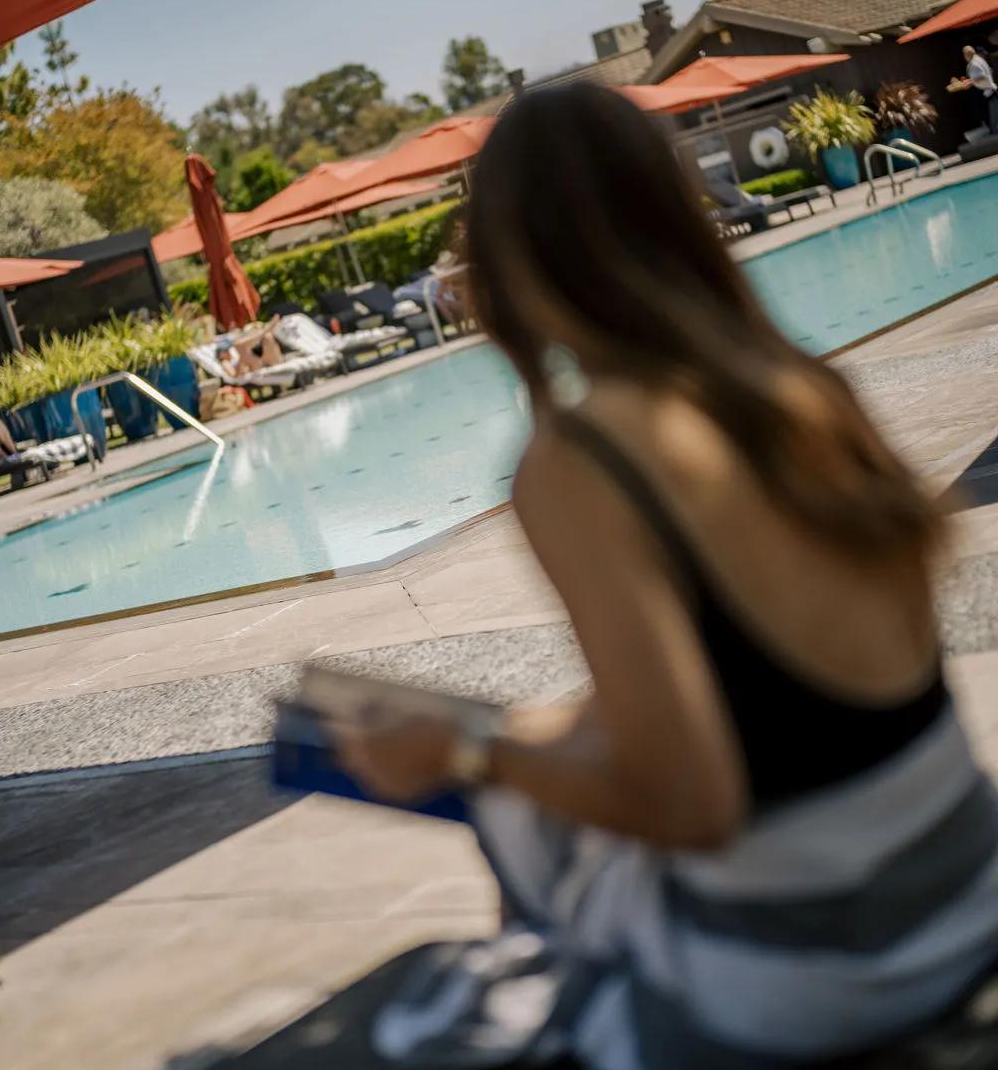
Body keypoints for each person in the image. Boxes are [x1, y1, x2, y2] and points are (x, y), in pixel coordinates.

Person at [329, 84, 998, 1067]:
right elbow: (763, 689)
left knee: (520, 828)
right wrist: (491, 727)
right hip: (965, 880)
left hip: (834, 964)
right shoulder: (801, 388)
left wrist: (469, 756)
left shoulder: (582, 459)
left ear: (511, 255)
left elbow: (690, 799)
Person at [949, 44, 998, 134]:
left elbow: (981, 76)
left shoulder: (975, 63)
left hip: (989, 92)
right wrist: (967, 82)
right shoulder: (977, 60)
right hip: (989, 91)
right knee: (993, 118)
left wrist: (967, 82)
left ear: (966, 54)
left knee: (993, 120)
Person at [215, 315, 283, 379]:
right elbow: (234, 375)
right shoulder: (224, 362)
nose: (228, 352)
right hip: (250, 368)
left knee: (267, 337)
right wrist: (241, 362)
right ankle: (263, 332)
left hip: (255, 363)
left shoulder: (232, 357)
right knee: (239, 345)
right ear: (221, 355)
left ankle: (263, 333)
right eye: (225, 350)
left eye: (227, 350)